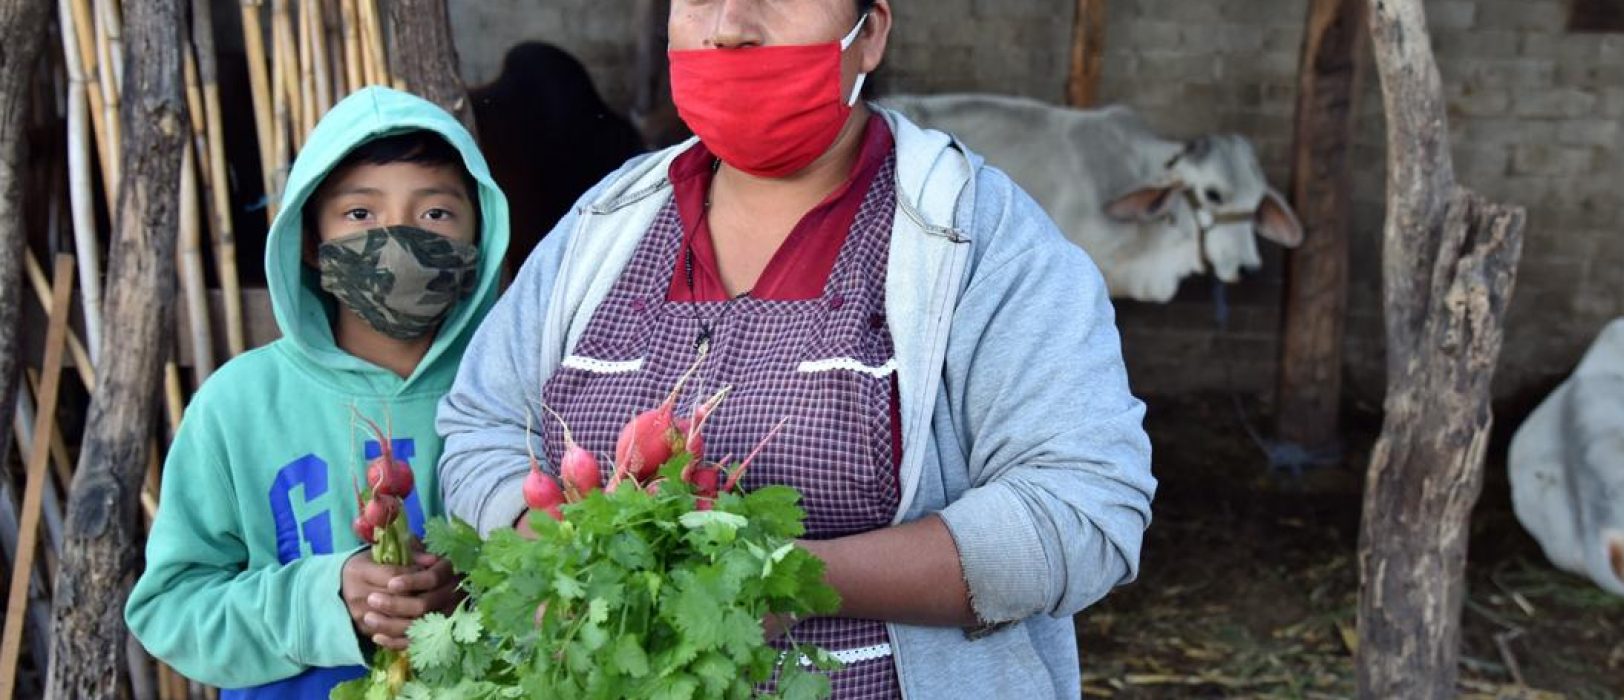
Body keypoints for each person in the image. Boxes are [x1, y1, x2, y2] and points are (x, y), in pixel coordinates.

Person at [437, 1, 1154, 697]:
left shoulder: (974, 236)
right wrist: (553, 548)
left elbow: (1083, 509)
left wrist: (794, 576)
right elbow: (482, 427)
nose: (729, 26)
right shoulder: (603, 227)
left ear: (869, 34)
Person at [126, 87, 511, 698]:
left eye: (436, 214)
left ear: (480, 237)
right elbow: (171, 610)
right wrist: (325, 598)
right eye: (359, 215)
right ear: (310, 242)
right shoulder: (239, 406)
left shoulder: (508, 398)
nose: (398, 239)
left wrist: (472, 588)